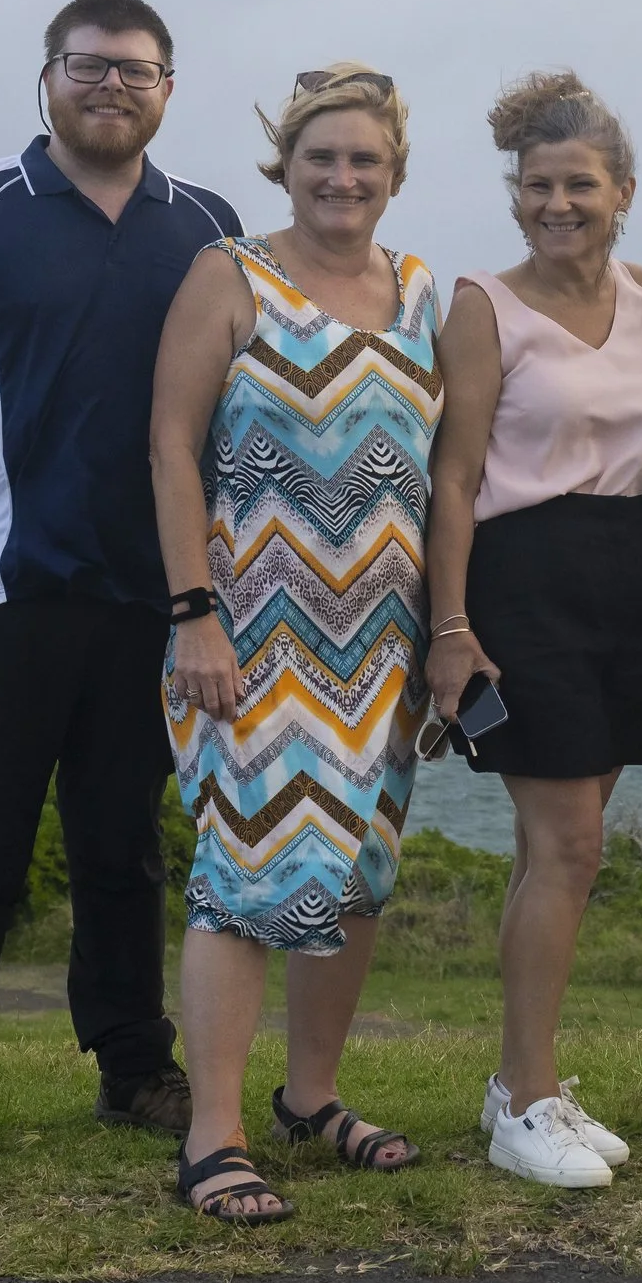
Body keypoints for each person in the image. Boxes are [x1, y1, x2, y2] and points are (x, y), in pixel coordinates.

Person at [0, 0, 239, 1183]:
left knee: (122, 850)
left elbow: (238, 420)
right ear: (48, 78)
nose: (111, 86)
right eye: (88, 66)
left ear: (167, 91)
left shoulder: (211, 226)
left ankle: (134, 1065)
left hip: (156, 600)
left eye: (136, 72)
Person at [148, 65, 441, 1224]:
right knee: (244, 872)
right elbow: (170, 448)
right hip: (250, 634)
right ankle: (210, 1133)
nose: (343, 175)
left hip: (384, 643)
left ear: (395, 173)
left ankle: (309, 1094)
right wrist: (193, 613)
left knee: (355, 874)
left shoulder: (421, 292)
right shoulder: (231, 276)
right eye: (321, 154)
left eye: (365, 158)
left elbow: (448, 471)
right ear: (286, 164)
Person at [423, 71, 642, 1189]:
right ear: (515, 193)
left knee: (557, 852)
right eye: (537, 185)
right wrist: (448, 622)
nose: (556, 203)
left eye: (578, 183)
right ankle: (522, 1097)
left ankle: (523, 1086)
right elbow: (453, 476)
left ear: (622, 189)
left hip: (634, 577)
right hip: (524, 577)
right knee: (568, 845)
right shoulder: (484, 302)